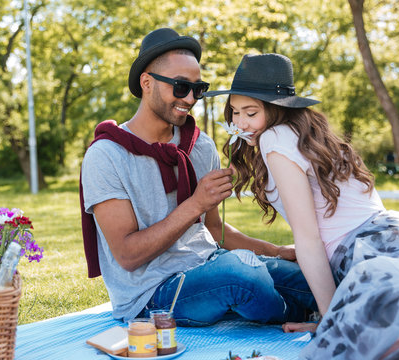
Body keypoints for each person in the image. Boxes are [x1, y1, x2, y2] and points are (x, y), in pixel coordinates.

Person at [206, 53, 399, 359]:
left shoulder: (273, 138)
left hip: (367, 250)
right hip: (397, 235)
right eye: (234, 113)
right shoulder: (307, 134)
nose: (240, 123)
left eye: (251, 112)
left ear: (276, 110)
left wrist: (330, 320)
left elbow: (309, 236)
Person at [80, 28, 317, 326]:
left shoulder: (199, 146)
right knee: (240, 276)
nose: (191, 98)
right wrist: (195, 204)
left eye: (198, 88)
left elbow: (215, 230)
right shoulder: (106, 155)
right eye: (181, 86)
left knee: (311, 274)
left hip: (209, 265)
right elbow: (127, 255)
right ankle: (311, 317)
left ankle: (345, 311)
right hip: (151, 295)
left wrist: (278, 252)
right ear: (147, 83)